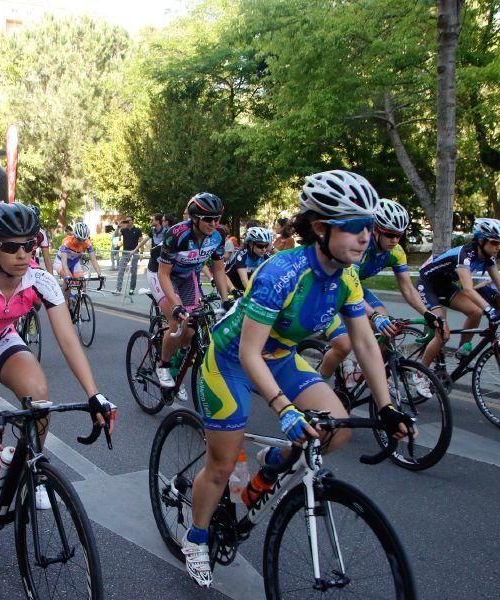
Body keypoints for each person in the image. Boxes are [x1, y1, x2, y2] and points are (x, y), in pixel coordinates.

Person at [183, 171, 413, 588]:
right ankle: (196, 537)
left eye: (370, 227)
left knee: (336, 429)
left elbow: (364, 343)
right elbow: (250, 352)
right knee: (220, 468)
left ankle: (272, 464)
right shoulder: (282, 272)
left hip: (281, 358)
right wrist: (283, 409)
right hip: (233, 361)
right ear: (322, 228)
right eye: (356, 227)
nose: (367, 237)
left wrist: (387, 405)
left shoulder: (346, 277)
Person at [0, 202, 115, 544]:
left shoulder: (41, 280)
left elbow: (68, 340)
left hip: (1, 336)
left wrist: (95, 394)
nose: (22, 254)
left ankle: (22, 466)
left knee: (40, 399)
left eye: (29, 244)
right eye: (11, 247)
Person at [315, 199, 444, 392]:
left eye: (399, 235)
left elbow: (407, 289)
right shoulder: (361, 246)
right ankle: (316, 386)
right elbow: (349, 284)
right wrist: (373, 315)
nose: (395, 240)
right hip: (331, 288)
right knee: (343, 345)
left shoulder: (396, 252)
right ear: (375, 229)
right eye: (390, 234)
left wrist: (427, 313)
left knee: (388, 327)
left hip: (354, 288)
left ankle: (357, 372)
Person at [415, 217, 500, 375]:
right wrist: (489, 309)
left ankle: (462, 353)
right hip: (427, 285)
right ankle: (420, 374)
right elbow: (468, 289)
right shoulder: (465, 254)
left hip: (444, 286)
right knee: (443, 333)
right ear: (481, 240)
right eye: (494, 243)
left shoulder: (488, 258)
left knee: (476, 312)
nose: (498, 247)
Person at [149, 193, 231, 402]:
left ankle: (176, 369)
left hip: (187, 276)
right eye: (208, 219)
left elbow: (219, 270)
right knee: (177, 321)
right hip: (162, 274)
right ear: (194, 218)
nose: (214, 224)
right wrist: (176, 305)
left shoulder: (218, 235)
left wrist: (226, 300)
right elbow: (164, 274)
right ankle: (164, 365)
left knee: (192, 328)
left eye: (217, 219)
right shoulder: (176, 234)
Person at [224, 227, 272, 292]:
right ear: (251, 244)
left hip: (246, 286)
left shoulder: (265, 256)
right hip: (231, 284)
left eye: (266, 246)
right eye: (260, 246)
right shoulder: (242, 255)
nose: (264, 249)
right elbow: (244, 280)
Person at [114, 217, 143, 294]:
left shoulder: (137, 230)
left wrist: (141, 254)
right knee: (120, 270)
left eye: (129, 220)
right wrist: (118, 226)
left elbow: (141, 242)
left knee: (133, 271)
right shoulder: (124, 230)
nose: (127, 222)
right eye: (126, 220)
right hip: (125, 252)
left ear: (132, 221)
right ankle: (118, 289)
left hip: (135, 252)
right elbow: (116, 235)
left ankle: (132, 289)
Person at [29, 205, 52, 274]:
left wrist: (52, 278)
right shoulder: (18, 230)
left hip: (32, 261)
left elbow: (46, 257)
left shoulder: (41, 233)